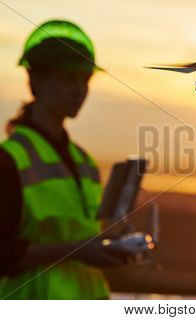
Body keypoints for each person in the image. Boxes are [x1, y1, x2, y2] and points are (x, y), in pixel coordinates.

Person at [0, 20, 132, 299]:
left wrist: (115, 245)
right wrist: (79, 250)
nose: (79, 90)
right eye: (67, 78)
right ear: (35, 80)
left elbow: (85, 237)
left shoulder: (85, 162)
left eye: (84, 80)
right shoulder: (9, 160)